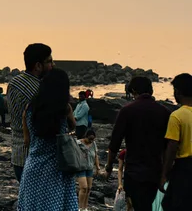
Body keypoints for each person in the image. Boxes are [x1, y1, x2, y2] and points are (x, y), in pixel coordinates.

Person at [103, 75, 170, 211]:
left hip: (134, 172)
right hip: (155, 172)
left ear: (133, 90)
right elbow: (169, 146)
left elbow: (114, 143)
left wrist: (109, 167)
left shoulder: (127, 111)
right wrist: (165, 173)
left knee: (135, 206)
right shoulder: (165, 112)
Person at [17, 68, 77, 211]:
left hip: (33, 166)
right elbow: (73, 126)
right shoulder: (64, 109)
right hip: (57, 168)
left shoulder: (30, 109)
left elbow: (27, 141)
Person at [7, 43, 53, 182]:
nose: (53, 65)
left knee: (26, 200)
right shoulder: (39, 90)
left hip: (18, 154)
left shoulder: (14, 82)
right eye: (49, 61)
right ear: (38, 66)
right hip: (35, 158)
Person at [160, 73, 192, 210]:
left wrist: (164, 174)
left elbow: (172, 147)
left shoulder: (177, 116)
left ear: (178, 92)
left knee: (172, 204)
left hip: (184, 167)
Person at [76, 129, 100, 211]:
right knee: (83, 187)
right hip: (81, 168)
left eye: (93, 139)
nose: (91, 141)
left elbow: (96, 155)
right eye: (90, 139)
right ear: (85, 137)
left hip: (89, 168)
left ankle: (85, 207)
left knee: (89, 188)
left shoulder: (93, 143)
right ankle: (79, 207)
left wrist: (98, 167)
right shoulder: (78, 143)